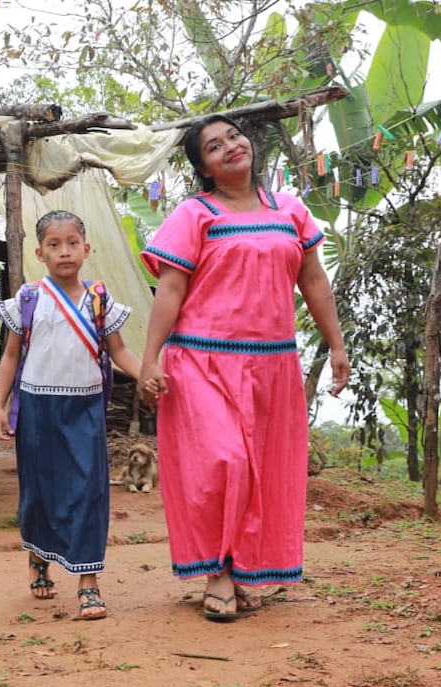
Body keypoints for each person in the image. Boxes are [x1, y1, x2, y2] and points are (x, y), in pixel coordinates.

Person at [137, 114, 350, 622]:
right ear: (205, 170)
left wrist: (336, 345)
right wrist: (150, 359)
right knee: (222, 461)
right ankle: (217, 572)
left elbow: (314, 281)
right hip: (200, 361)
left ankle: (246, 569)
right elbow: (169, 290)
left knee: (261, 474)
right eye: (214, 146)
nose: (230, 146)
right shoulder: (194, 214)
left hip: (272, 365)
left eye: (234, 136)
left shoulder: (291, 211)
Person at [0, 210, 142, 620]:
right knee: (40, 490)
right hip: (37, 408)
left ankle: (88, 582)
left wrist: (149, 372)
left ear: (86, 249)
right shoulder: (27, 300)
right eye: (54, 245)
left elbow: (119, 352)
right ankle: (39, 556)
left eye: (72, 243)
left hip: (85, 407)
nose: (64, 252)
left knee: (89, 490)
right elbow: (10, 357)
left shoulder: (98, 299)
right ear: (39, 253)